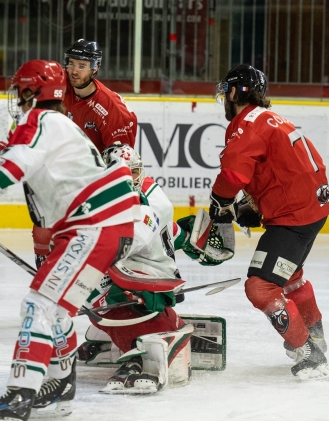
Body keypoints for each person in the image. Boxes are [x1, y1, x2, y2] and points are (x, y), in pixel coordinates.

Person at [0, 60, 140, 421]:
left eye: (20, 90)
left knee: (38, 306)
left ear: (31, 92)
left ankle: (16, 403)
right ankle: (61, 386)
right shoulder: (63, 124)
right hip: (108, 225)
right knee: (59, 310)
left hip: (91, 226)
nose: (17, 98)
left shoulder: (39, 120)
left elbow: (17, 163)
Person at [75, 145, 233, 394]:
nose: (129, 180)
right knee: (90, 293)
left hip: (147, 278)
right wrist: (190, 240)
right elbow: (167, 229)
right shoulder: (150, 192)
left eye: (133, 172)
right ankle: (116, 338)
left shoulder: (137, 209)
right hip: (143, 269)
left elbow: (122, 242)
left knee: (96, 296)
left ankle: (144, 350)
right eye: (122, 174)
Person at [210, 64, 329, 381]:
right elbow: (283, 169)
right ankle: (315, 336)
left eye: (226, 93)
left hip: (294, 217)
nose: (224, 101)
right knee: (290, 276)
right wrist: (255, 204)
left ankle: (311, 354)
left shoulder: (246, 124)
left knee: (261, 287)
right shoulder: (270, 118)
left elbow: (233, 175)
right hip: (312, 209)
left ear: (234, 93)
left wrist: (220, 202)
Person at [32, 39, 139, 268]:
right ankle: (44, 262)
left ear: (95, 67)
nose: (74, 70)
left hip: (97, 179)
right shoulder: (57, 90)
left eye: (82, 65)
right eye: (71, 63)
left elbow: (122, 159)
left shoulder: (111, 107)